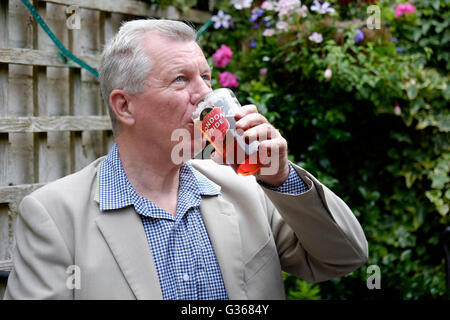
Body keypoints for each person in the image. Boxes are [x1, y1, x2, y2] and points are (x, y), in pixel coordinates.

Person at [4, 19, 368, 300]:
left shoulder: (246, 188)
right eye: (181, 80)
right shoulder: (54, 215)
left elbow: (344, 257)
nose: (205, 94)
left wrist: (280, 177)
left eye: (206, 77)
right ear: (125, 106)